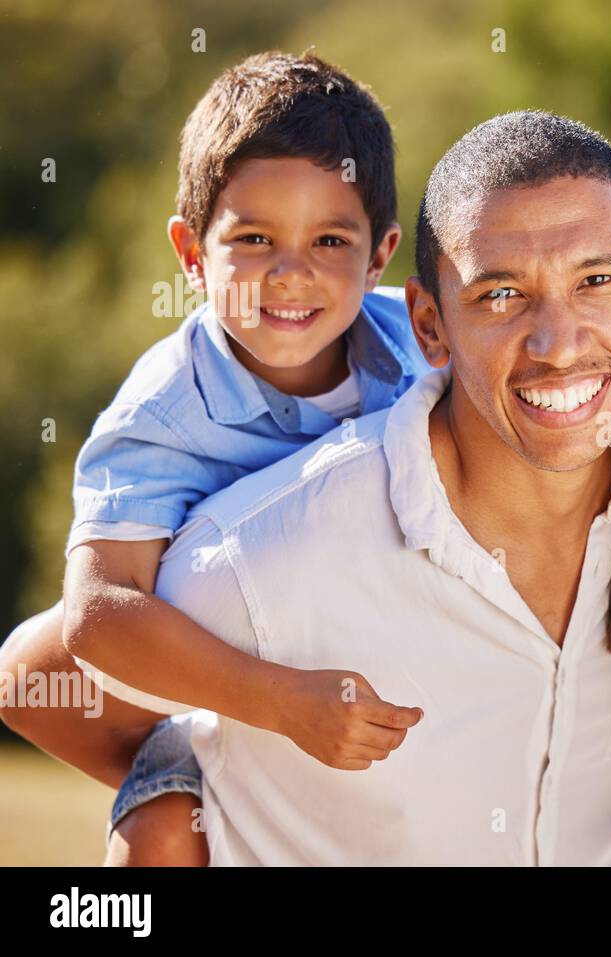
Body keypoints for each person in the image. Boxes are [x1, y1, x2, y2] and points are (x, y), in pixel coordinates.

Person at [0, 51, 426, 865]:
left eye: (330, 238)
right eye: (254, 237)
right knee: (156, 833)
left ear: (380, 256)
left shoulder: (421, 354)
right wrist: (283, 704)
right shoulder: (164, 412)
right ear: (192, 253)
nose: (290, 271)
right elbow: (96, 612)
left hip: (392, 683)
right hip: (236, 704)